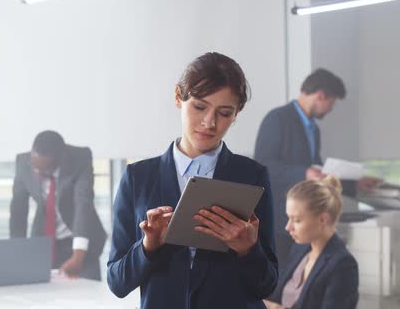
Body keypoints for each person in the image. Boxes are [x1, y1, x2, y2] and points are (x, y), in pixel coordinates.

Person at [107, 52, 278, 308]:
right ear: (178, 96)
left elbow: (267, 284)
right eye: (199, 106)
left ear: (236, 113)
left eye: (224, 112)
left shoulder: (252, 176)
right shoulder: (138, 178)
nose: (209, 122)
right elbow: (117, 282)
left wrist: (248, 250)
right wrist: (147, 247)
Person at [254, 68, 381, 268]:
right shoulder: (278, 119)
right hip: (281, 220)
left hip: (308, 217)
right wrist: (304, 173)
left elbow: (318, 174)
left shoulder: (313, 128)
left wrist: (354, 185)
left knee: (301, 281)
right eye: (332, 102)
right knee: (279, 282)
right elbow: (263, 166)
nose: (330, 108)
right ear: (321, 95)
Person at [9, 130, 107, 280]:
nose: (37, 172)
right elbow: (18, 210)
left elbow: (83, 203)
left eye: (43, 170)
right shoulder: (23, 162)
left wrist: (78, 256)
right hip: (44, 243)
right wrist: (17, 252)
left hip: (81, 242)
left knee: (87, 297)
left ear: (60, 159)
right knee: (42, 298)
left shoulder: (79, 158)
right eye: (35, 167)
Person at [264, 176, 359, 309]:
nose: (288, 227)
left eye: (296, 220)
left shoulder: (343, 265)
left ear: (323, 219)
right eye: (288, 218)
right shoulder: (300, 249)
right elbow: (276, 294)